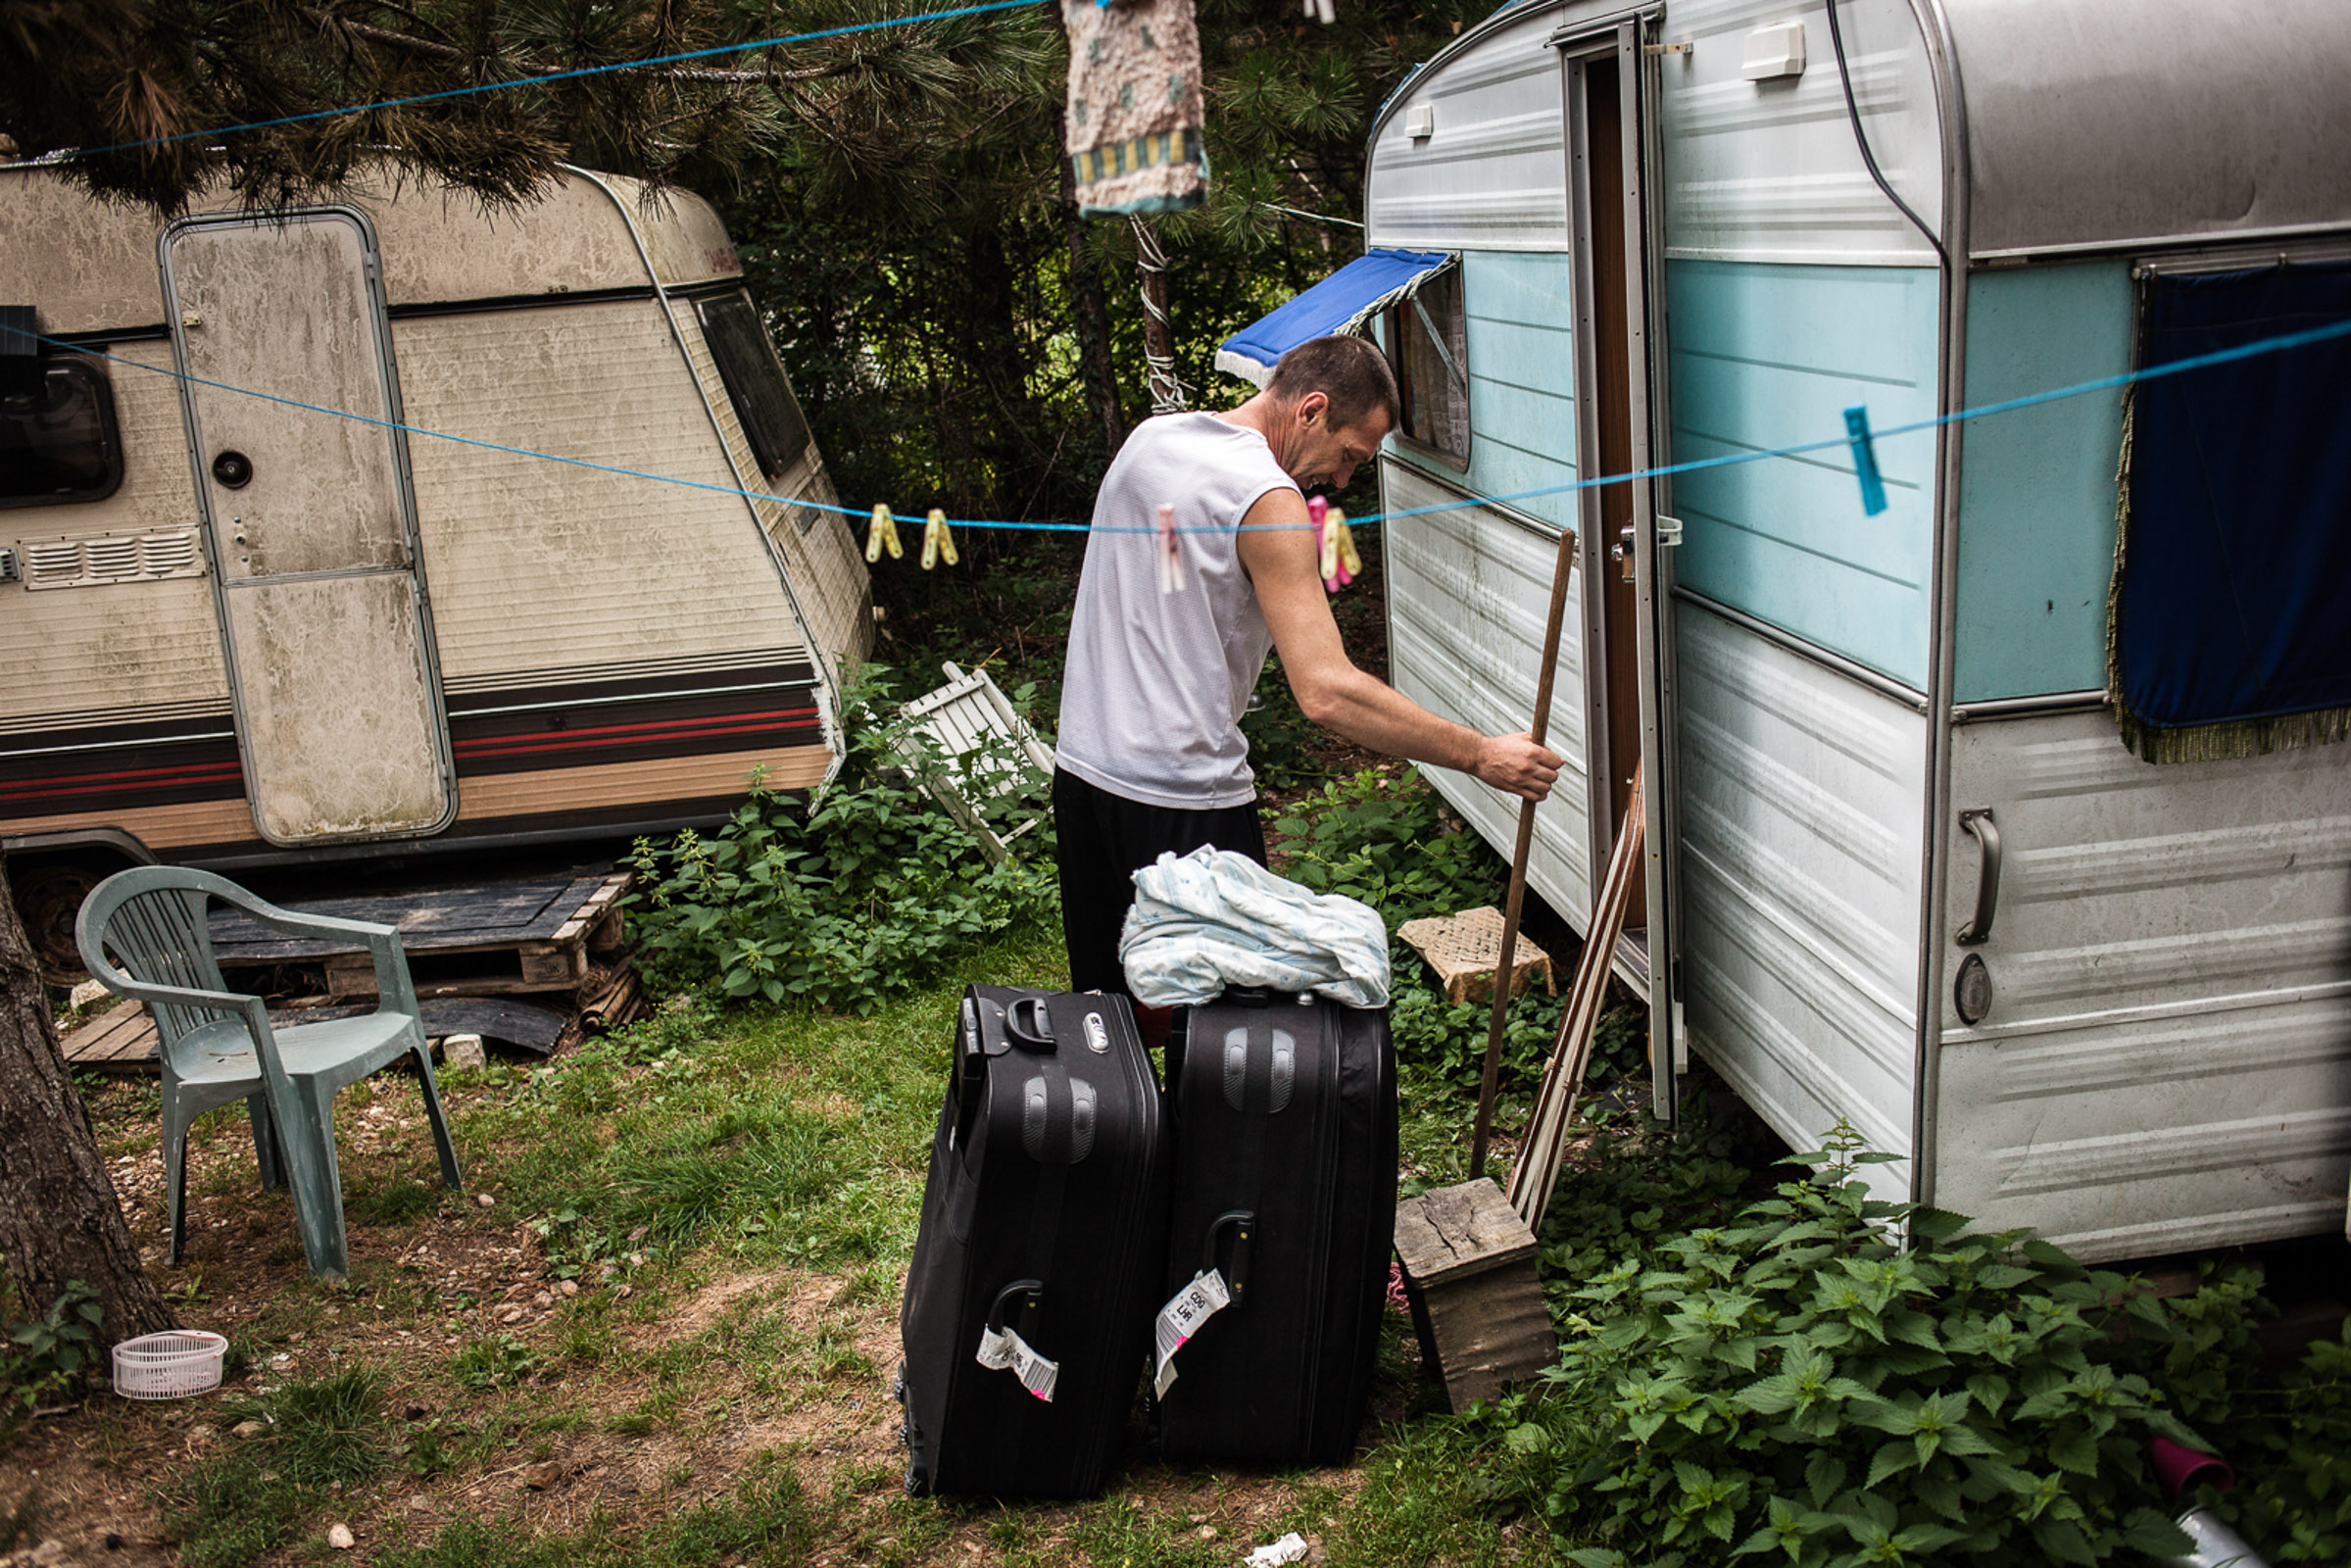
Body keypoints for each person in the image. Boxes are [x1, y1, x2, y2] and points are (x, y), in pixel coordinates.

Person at [1053, 334, 1562, 998]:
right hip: (1183, 798)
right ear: (1310, 410)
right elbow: (1326, 693)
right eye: (1350, 455)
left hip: (1085, 774)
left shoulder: (1153, 440)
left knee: (1104, 1018)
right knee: (1226, 1038)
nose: (1344, 480)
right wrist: (1478, 755)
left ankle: (1109, 1102)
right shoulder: (1268, 499)